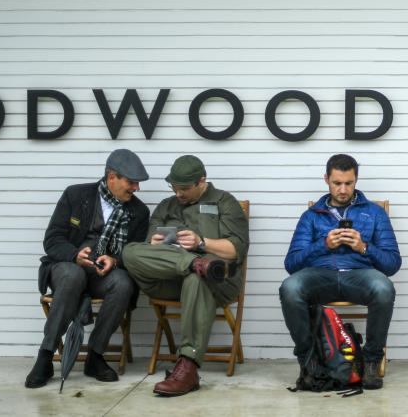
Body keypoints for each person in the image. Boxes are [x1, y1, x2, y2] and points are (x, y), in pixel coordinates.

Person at [122, 155, 248, 397]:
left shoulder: (225, 202)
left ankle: (188, 365)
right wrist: (155, 242)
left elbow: (237, 249)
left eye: (184, 189)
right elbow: (147, 249)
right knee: (130, 251)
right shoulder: (166, 205)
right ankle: (195, 264)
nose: (178, 194)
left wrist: (202, 242)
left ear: (202, 181)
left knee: (197, 279)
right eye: (174, 188)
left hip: (219, 279)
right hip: (169, 278)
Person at [25, 149, 150, 389]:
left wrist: (115, 259)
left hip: (102, 274)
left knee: (123, 283)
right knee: (73, 276)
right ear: (112, 177)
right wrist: (74, 255)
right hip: (67, 267)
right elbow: (53, 240)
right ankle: (46, 356)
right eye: (131, 182)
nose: (136, 188)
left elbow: (135, 251)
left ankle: (95, 355)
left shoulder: (138, 212)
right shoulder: (76, 195)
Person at [280, 154, 400, 390]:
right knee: (290, 287)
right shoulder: (311, 216)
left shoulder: (375, 213)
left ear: (356, 180)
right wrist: (323, 244)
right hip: (320, 275)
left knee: (383, 287)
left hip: (359, 274)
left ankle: (372, 360)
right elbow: (292, 264)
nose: (343, 189)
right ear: (326, 179)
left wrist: (363, 247)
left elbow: (392, 264)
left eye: (349, 183)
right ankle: (309, 361)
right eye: (337, 183)